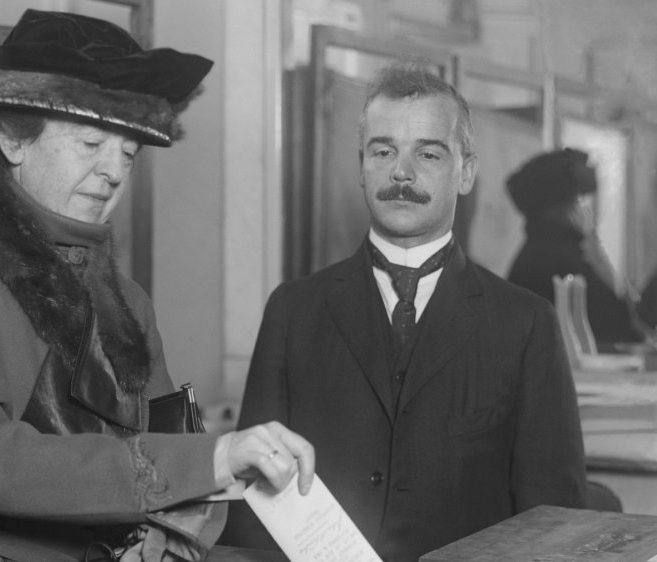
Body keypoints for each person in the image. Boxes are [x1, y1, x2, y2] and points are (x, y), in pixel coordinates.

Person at [0, 9, 313, 562]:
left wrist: (175, 536)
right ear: (12, 140)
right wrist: (210, 462)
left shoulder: (130, 301)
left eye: (128, 153)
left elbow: (176, 443)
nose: (114, 172)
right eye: (91, 143)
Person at [219, 61, 587, 561]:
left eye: (428, 154)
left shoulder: (524, 323)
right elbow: (251, 512)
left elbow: (556, 524)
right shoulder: (294, 311)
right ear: (361, 167)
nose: (401, 173)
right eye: (383, 150)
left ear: (467, 172)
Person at [506, 148, 644, 346]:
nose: (587, 210)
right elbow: (620, 327)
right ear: (561, 209)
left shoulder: (544, 251)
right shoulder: (558, 259)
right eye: (580, 200)